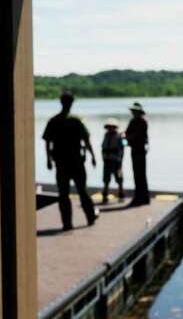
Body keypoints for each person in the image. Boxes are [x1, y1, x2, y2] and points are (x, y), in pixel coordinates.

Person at [42, 91, 97, 230]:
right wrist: (93, 156)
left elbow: (47, 143)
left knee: (64, 193)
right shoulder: (76, 120)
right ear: (71, 103)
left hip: (61, 162)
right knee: (82, 191)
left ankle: (67, 224)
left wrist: (48, 159)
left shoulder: (54, 121)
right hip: (76, 162)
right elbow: (86, 140)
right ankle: (90, 218)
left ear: (61, 102)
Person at [125, 102, 150, 206]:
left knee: (140, 174)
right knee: (139, 174)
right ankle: (143, 197)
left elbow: (134, 134)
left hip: (139, 150)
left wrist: (127, 137)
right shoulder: (135, 121)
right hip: (136, 149)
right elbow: (128, 133)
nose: (133, 112)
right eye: (133, 111)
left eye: (135, 111)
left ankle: (140, 198)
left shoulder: (141, 122)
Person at [100, 118, 125, 204]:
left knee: (119, 178)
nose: (110, 129)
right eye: (109, 127)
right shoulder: (106, 135)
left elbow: (122, 149)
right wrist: (103, 158)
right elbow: (103, 148)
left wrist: (120, 160)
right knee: (106, 179)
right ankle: (105, 195)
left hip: (116, 161)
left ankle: (121, 195)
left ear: (115, 127)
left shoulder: (119, 136)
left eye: (112, 127)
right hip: (107, 160)